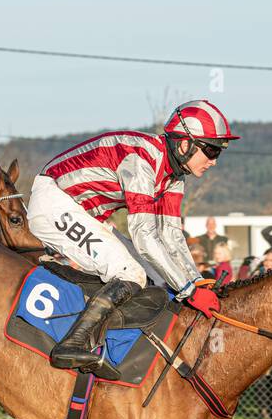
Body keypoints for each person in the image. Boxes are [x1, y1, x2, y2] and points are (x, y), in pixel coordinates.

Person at [26, 98, 236, 377]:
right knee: (130, 271)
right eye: (210, 150)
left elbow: (172, 237)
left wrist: (195, 280)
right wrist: (189, 289)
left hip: (83, 211)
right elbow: (145, 237)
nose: (213, 161)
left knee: (158, 277)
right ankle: (72, 344)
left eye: (218, 153)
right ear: (184, 143)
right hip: (54, 201)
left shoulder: (174, 175)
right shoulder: (142, 161)